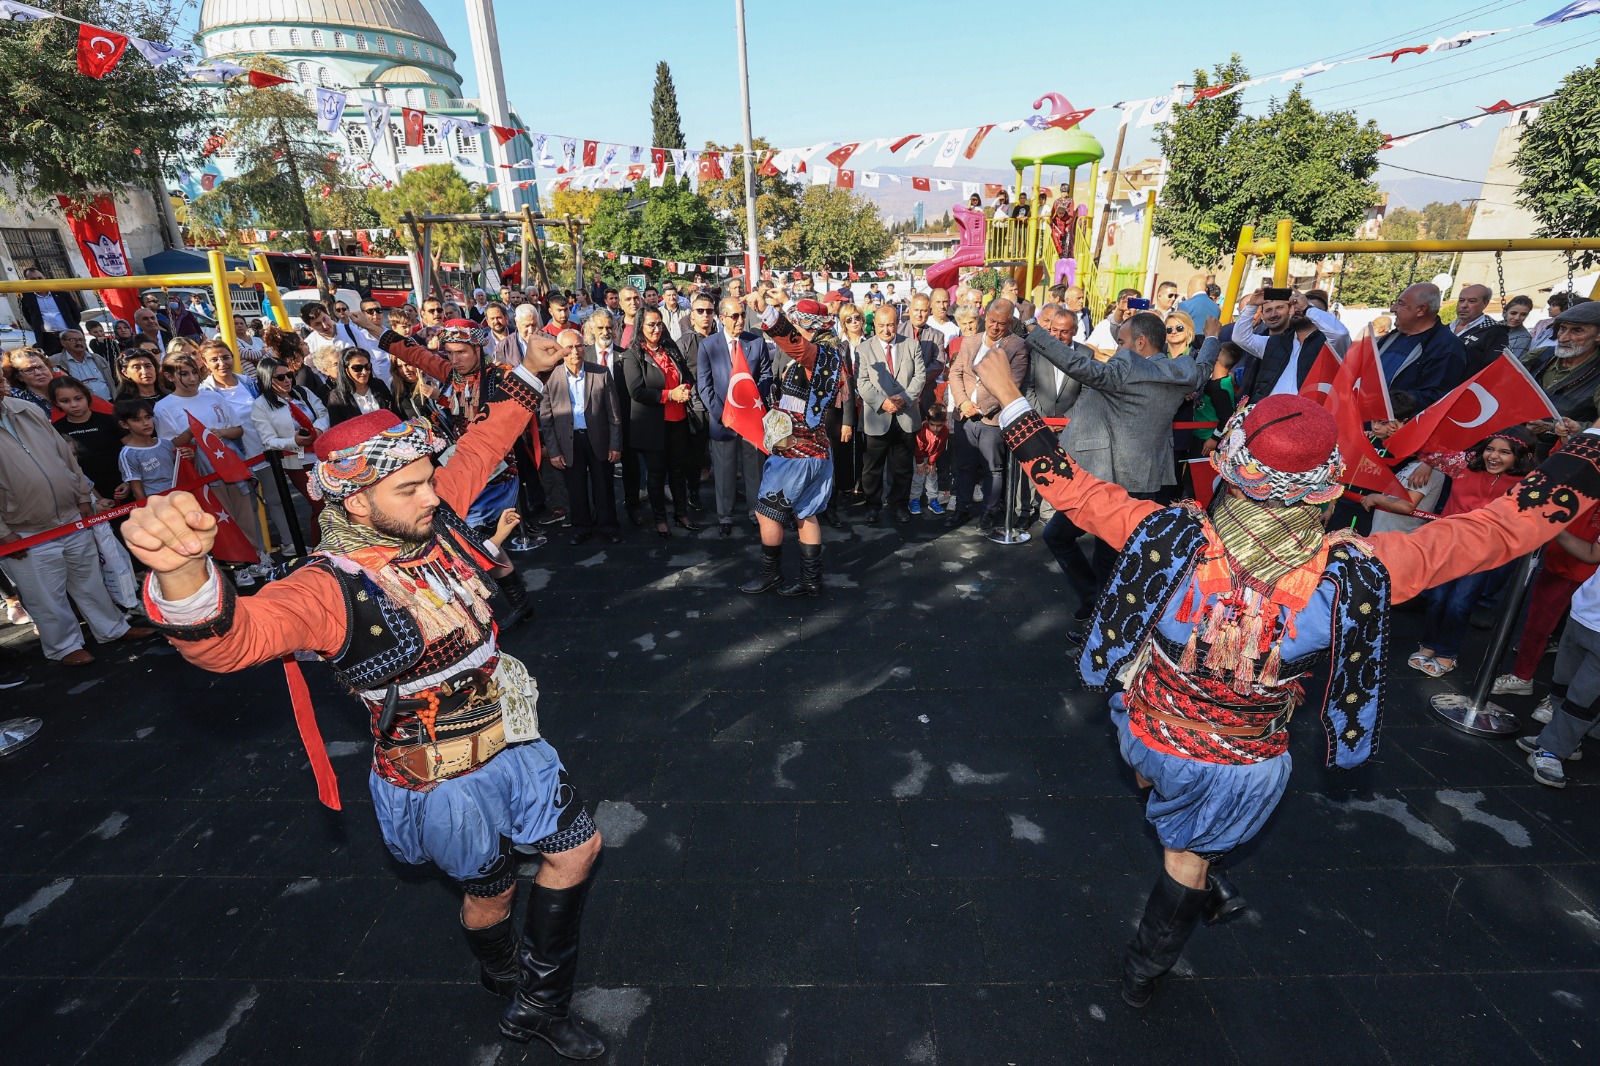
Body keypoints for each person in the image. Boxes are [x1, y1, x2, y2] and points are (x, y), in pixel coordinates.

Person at [966, 344, 1600, 1010]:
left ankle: (1151, 956)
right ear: (1328, 485)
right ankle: (1156, 949)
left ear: (1233, 470)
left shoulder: (1165, 536)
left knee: (1170, 816)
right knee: (1188, 843)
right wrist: (1584, 452)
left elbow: (1061, 480)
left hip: (1150, 726)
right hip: (1242, 759)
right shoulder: (1362, 569)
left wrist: (1009, 390)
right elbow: (1499, 530)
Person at [124, 332, 610, 1058]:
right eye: (409, 487)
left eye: (427, 479)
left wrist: (533, 371)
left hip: (512, 731)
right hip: (439, 772)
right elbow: (232, 642)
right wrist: (182, 578)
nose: (431, 494)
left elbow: (487, 438)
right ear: (354, 496)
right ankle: (503, 970)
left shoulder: (428, 511)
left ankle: (539, 1004)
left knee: (579, 849)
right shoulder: (326, 585)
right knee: (493, 894)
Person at [1036, 312, 1220, 642]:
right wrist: (1212, 338)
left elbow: (1081, 368)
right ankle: (1098, 607)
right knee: (1102, 553)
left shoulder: (1126, 367)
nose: (1117, 347)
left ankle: (1102, 622)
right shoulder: (1183, 370)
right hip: (1145, 479)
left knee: (1079, 546)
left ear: (1139, 342)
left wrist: (1034, 333)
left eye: (1121, 341)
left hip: (1106, 479)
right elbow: (1204, 366)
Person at [0, 392, 153, 664]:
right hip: (22, 530)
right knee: (45, 595)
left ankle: (113, 628)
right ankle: (64, 647)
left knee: (91, 580)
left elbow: (65, 456)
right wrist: (3, 534)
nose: (1, 383)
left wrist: (84, 495)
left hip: (71, 516)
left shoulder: (24, 409)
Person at [1406, 430, 1537, 677]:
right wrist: (1426, 464)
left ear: (1519, 457)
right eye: (1490, 449)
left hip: (1482, 554)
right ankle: (1428, 646)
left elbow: (1560, 480)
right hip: (1446, 546)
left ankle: (1447, 653)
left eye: (1504, 452)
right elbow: (1427, 448)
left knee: (1459, 603)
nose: (1493, 456)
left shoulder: (1526, 483)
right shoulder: (1464, 465)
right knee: (1436, 598)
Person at [740, 300, 847, 596]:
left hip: (798, 453)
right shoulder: (831, 354)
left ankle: (771, 575)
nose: (795, 330)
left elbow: (797, 346)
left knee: (767, 512)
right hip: (815, 450)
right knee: (806, 513)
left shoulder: (821, 353)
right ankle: (810, 581)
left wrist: (768, 313)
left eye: (798, 325)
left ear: (810, 327)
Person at [386, 319, 530, 534]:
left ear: (478, 350)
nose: (454, 360)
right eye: (450, 353)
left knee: (473, 528)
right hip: (462, 462)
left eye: (461, 352)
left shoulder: (500, 377)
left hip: (496, 468)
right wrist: (375, 329)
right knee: (459, 528)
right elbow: (417, 356)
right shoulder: (452, 375)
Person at [1519, 527, 1600, 786]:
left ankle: (1552, 750)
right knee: (1561, 685)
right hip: (1583, 613)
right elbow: (1592, 553)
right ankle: (1562, 739)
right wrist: (1556, 529)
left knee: (1584, 700)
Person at [946, 298, 1029, 532]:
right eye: (991, 321)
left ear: (1010, 322)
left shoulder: (1017, 347)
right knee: (964, 466)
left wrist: (982, 408)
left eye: (1001, 324)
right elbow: (956, 374)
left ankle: (989, 512)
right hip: (964, 416)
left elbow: (1011, 384)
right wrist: (963, 402)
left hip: (992, 420)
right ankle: (961, 509)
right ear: (985, 317)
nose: (994, 327)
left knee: (993, 468)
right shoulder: (970, 341)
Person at [695, 296, 774, 537]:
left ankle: (755, 511)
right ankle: (725, 515)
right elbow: (704, 386)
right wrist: (724, 415)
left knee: (754, 469)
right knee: (724, 469)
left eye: (742, 315)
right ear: (722, 319)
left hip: (751, 420)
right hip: (723, 421)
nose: (740, 320)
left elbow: (766, 376)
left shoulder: (756, 342)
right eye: (735, 316)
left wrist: (750, 405)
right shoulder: (709, 346)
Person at [622, 308, 700, 538]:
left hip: (678, 420)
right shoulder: (633, 354)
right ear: (640, 327)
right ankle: (660, 519)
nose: (656, 329)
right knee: (656, 475)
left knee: (678, 471)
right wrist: (669, 395)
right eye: (651, 325)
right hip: (652, 425)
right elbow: (636, 391)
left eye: (659, 324)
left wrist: (684, 389)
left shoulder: (670, 347)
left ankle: (681, 512)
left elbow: (687, 375)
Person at [541, 329, 622, 545]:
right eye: (569, 347)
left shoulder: (601, 373)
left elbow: (614, 414)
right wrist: (554, 450)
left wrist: (615, 444)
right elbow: (546, 419)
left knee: (603, 486)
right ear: (560, 350)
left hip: (598, 439)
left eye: (579, 346)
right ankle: (581, 527)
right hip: (569, 442)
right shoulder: (551, 378)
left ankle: (608, 526)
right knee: (575, 488)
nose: (575, 351)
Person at [855, 304, 925, 524]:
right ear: (874, 324)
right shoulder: (863, 349)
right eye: (881, 325)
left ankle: (899, 505)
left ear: (897, 324)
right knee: (872, 467)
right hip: (877, 417)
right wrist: (882, 402)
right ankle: (872, 505)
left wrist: (904, 398)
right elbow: (862, 382)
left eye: (891, 325)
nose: (886, 330)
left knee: (903, 467)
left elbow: (920, 376)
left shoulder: (912, 345)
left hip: (905, 416)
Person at [251, 356, 329, 544]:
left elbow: (323, 412)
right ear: (267, 379)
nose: (287, 380)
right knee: (321, 504)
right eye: (280, 378)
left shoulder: (302, 392)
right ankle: (320, 547)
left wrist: (317, 429)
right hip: (297, 462)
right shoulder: (260, 405)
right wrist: (293, 441)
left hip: (323, 455)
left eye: (289, 375)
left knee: (336, 500)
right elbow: (269, 441)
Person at [1232, 286, 1352, 400]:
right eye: (1297, 306)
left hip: (1307, 416)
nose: (1300, 309)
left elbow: (1341, 334)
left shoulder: (1331, 346)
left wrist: (1307, 308)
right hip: (1268, 414)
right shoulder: (1275, 342)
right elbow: (1240, 337)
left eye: (1309, 307)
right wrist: (1252, 306)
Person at [1370, 283, 1468, 405]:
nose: (1393, 309)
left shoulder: (1447, 348)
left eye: (1401, 304)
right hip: (1367, 419)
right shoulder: (1392, 337)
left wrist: (1385, 402)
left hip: (1395, 422)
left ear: (1421, 310)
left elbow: (1435, 398)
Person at [302, 300, 390, 385]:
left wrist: (374, 381)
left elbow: (369, 356)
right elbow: (314, 371)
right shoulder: (310, 344)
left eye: (325, 319)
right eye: (317, 324)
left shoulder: (350, 330)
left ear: (328, 314)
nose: (325, 326)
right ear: (310, 327)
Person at [325, 347, 398, 426]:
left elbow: (395, 413)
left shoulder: (378, 385)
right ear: (346, 370)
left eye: (367, 366)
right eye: (357, 368)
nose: (364, 372)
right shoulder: (337, 397)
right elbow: (338, 429)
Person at [17, 267, 81, 355]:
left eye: (39, 278)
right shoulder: (27, 298)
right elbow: (29, 318)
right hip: (49, 339)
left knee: (80, 358)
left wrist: (72, 326)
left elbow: (76, 314)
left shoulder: (61, 293)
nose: (37, 281)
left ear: (45, 277)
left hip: (70, 334)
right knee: (56, 365)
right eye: (33, 279)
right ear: (27, 280)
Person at [1452, 283, 1513, 375]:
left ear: (1485, 303)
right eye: (1461, 300)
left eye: (1472, 301)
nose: (1464, 305)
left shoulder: (1495, 332)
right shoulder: (1445, 328)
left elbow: (1494, 369)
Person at [51, 330, 114, 401]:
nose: (79, 343)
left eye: (81, 339)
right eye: (73, 340)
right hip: (81, 408)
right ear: (63, 343)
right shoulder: (55, 361)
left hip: (109, 403)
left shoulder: (98, 358)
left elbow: (110, 381)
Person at [4, 348, 59, 414]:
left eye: (40, 367)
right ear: (19, 377)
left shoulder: (67, 389)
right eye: (29, 370)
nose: (38, 373)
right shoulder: (18, 402)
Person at [1087, 289, 1140, 356]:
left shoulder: (1140, 330)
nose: (1127, 311)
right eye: (1125, 306)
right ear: (1117, 304)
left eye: (1131, 307)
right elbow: (1089, 347)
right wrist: (1107, 360)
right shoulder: (1104, 325)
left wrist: (1104, 351)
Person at [1504, 295, 1535, 361]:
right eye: (1513, 313)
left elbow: (1511, 362)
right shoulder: (1494, 326)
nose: (1517, 318)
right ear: (1506, 312)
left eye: (1523, 314)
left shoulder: (1524, 338)